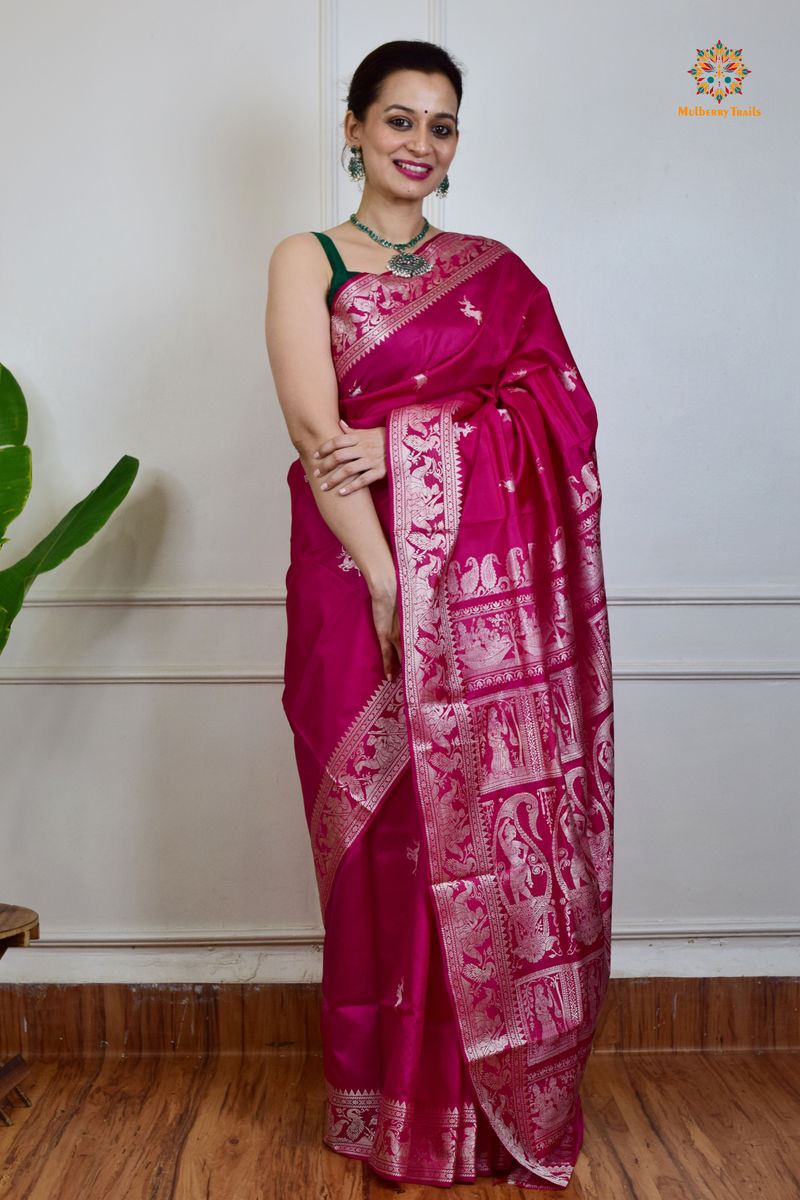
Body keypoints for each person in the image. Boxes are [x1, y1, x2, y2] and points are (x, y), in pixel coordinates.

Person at [265, 39, 614, 1191]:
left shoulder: (495, 273)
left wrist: (421, 446)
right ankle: (383, 1109)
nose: (420, 144)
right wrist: (380, 576)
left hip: (476, 601)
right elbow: (322, 442)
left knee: (477, 846)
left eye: (441, 125)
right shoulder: (304, 261)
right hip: (345, 575)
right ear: (354, 128)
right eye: (399, 120)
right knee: (379, 852)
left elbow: (553, 413)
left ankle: (480, 1104)